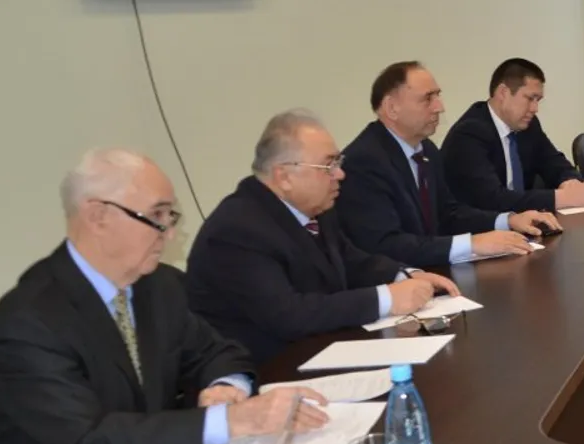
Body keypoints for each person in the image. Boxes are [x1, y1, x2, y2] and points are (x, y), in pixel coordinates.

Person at [0, 149, 328, 444]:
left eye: (170, 216)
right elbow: (91, 441)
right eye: (157, 215)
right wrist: (231, 421)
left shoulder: (159, 286)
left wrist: (225, 387)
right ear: (98, 216)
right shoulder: (27, 323)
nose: (170, 233)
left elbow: (218, 351)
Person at [187, 110, 462, 365]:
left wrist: (406, 276)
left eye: (338, 162)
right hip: (265, 372)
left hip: (318, 351)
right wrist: (387, 299)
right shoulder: (238, 230)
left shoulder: (317, 209)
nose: (340, 174)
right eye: (328, 165)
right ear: (284, 177)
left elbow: (351, 261)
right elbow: (288, 315)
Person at [340, 62, 560, 269]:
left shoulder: (426, 149)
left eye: (438, 96)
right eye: (428, 99)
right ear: (392, 108)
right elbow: (385, 245)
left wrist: (509, 220)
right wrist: (472, 244)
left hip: (432, 270)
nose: (440, 107)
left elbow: (448, 214)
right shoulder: (364, 161)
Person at [441, 58, 584, 213]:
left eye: (538, 100)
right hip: (482, 228)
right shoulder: (469, 134)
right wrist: (563, 198)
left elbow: (554, 162)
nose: (535, 109)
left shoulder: (527, 125)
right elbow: (492, 199)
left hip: (522, 222)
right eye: (530, 98)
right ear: (503, 93)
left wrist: (570, 182)